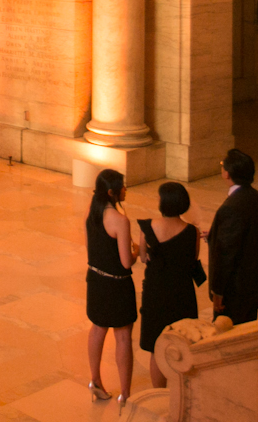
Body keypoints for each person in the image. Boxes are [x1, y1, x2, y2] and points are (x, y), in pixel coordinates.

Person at [139, 182, 202, 387]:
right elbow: (192, 260)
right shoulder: (192, 232)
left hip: (156, 294)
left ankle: (159, 394)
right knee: (181, 344)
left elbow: (142, 257)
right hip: (182, 294)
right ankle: (180, 394)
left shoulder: (148, 228)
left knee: (156, 347)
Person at [85, 168, 137, 406]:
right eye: (122, 186)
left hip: (95, 280)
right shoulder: (120, 220)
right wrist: (136, 251)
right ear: (111, 192)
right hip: (117, 285)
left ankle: (95, 380)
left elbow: (92, 251)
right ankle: (125, 394)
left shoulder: (92, 215)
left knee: (97, 329)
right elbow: (126, 262)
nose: (125, 189)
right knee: (123, 337)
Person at [207, 148, 258, 325]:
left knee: (227, 338)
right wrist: (214, 234)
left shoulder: (231, 207)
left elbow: (226, 254)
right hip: (254, 283)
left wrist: (218, 292)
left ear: (227, 174)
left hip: (236, 289)